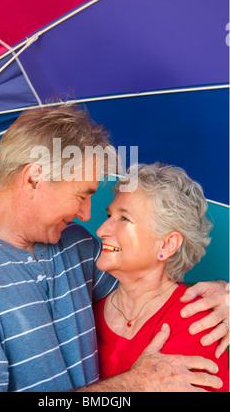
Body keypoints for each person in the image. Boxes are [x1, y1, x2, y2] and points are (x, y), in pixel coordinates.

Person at [0, 104, 228, 392]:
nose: (88, 215)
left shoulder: (75, 245)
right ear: (33, 179)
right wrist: (134, 385)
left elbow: (148, 283)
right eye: (81, 195)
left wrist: (220, 293)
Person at [94, 162, 229, 392]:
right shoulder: (85, 310)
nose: (101, 230)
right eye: (109, 215)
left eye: (124, 218)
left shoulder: (195, 323)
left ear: (167, 244)